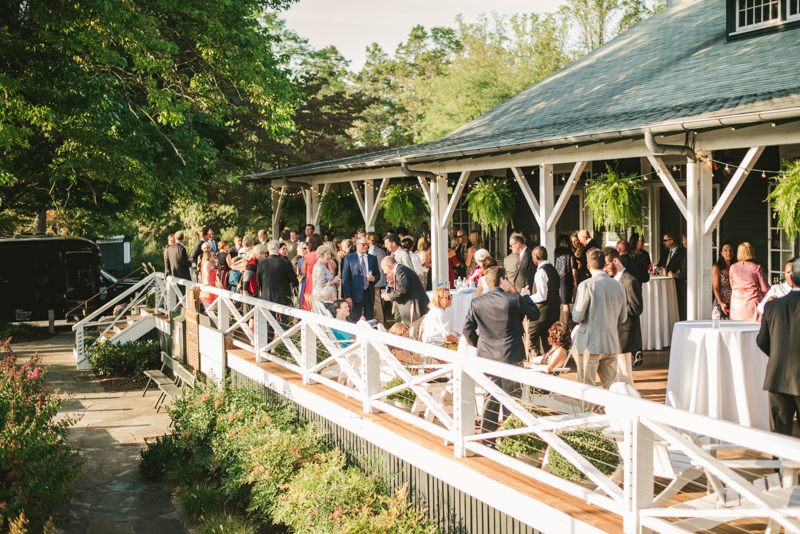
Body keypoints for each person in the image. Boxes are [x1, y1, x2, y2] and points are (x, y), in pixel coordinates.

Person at [463, 267, 540, 433]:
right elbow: (535, 314)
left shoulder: (477, 302)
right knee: (512, 400)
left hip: (487, 357)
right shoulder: (514, 299)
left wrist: (481, 345)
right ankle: (508, 438)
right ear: (502, 280)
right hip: (511, 355)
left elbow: (467, 329)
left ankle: (487, 439)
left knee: (490, 399)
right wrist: (526, 297)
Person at [572, 249, 633, 388]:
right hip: (610, 343)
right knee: (609, 387)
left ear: (588, 266)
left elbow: (577, 316)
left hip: (590, 344)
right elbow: (623, 318)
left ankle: (588, 411)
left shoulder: (586, 285)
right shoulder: (618, 286)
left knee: (586, 388)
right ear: (605, 264)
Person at [756, 258, 800, 436]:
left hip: (777, 376)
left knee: (780, 435)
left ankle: (782, 465)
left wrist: (777, 356)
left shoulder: (772, 306)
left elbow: (762, 341)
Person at [604, 247, 644, 368]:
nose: (605, 269)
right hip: (614, 334)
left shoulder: (629, 281)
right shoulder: (613, 280)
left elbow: (637, 308)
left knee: (624, 374)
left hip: (625, 335)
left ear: (615, 260)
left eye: (606, 264)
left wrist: (614, 309)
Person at [381, 256, 429, 335]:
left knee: (413, 335)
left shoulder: (400, 271)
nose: (384, 272)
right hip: (415, 307)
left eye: (383, 269)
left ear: (388, 267)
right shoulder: (401, 269)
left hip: (414, 309)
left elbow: (403, 289)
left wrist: (389, 296)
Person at [528, 246, 561, 356]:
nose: (532, 259)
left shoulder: (541, 272)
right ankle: (547, 359)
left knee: (528, 334)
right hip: (555, 310)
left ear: (537, 257)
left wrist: (527, 298)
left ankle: (532, 357)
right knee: (546, 339)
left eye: (533, 256)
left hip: (542, 312)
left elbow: (542, 296)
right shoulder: (553, 269)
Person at [729, 242, 770, 322]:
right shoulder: (757, 268)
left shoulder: (732, 267)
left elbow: (732, 286)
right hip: (753, 302)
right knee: (754, 329)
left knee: (737, 328)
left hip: (737, 303)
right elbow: (765, 289)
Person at [342, 237, 379, 321]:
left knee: (370, 320)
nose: (365, 246)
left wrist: (374, 278)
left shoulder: (372, 258)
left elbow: (377, 273)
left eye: (367, 244)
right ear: (357, 244)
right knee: (353, 319)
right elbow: (346, 279)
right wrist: (348, 296)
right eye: (363, 244)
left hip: (369, 294)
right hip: (355, 294)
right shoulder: (349, 258)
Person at [657, 231, 687, 321]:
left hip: (678, 286)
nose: (663, 242)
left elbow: (681, 270)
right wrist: (660, 270)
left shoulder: (682, 253)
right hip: (666, 287)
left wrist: (672, 272)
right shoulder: (665, 253)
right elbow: (659, 265)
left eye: (665, 240)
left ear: (671, 241)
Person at [257, 240, 298, 306]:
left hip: (267, 296)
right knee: (283, 316)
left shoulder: (261, 263)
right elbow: (292, 278)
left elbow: (259, 281)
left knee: (269, 316)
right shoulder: (285, 262)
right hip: (283, 297)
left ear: (267, 249)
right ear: (278, 249)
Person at [554, 234, 577, 324]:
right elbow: (573, 268)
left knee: (559, 303)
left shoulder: (555, 252)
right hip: (566, 278)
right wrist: (575, 281)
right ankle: (566, 324)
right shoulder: (570, 253)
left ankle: (560, 322)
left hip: (557, 277)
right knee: (566, 302)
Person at [368, 232, 388, 324]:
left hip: (375, 279)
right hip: (382, 278)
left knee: (376, 301)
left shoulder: (371, 251)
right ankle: (380, 320)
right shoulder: (382, 251)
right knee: (378, 300)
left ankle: (380, 320)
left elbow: (370, 266)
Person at [712, 241, 735, 318]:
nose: (728, 253)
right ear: (721, 253)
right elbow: (716, 288)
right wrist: (721, 303)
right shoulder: (717, 267)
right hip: (722, 303)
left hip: (734, 302)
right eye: (725, 250)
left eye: (730, 250)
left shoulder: (736, 267)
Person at [301, 234, 323, 311]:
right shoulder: (322, 255)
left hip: (310, 278)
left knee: (309, 301)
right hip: (321, 278)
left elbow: (304, 270)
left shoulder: (308, 255)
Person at [293, 242, 309, 308]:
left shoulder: (312, 258)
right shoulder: (300, 260)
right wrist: (301, 276)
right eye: (304, 248)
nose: (305, 250)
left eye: (307, 248)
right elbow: (297, 273)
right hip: (303, 282)